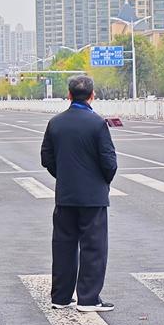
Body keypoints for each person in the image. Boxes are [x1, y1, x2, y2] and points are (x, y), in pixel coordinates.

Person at [40, 75, 118, 313]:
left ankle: (61, 297)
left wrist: (64, 176)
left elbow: (46, 158)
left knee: (63, 245)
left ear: (69, 95)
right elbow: (109, 162)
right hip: (93, 197)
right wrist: (101, 182)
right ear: (92, 95)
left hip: (65, 194)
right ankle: (88, 298)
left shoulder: (55, 123)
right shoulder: (97, 124)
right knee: (93, 247)